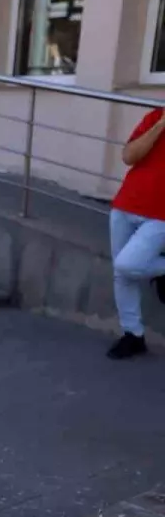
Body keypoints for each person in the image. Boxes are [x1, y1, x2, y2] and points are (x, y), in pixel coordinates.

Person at [105, 106, 165, 359]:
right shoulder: (155, 116)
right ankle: (133, 335)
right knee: (122, 275)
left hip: (161, 215)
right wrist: (161, 124)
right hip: (126, 204)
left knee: (127, 264)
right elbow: (129, 156)